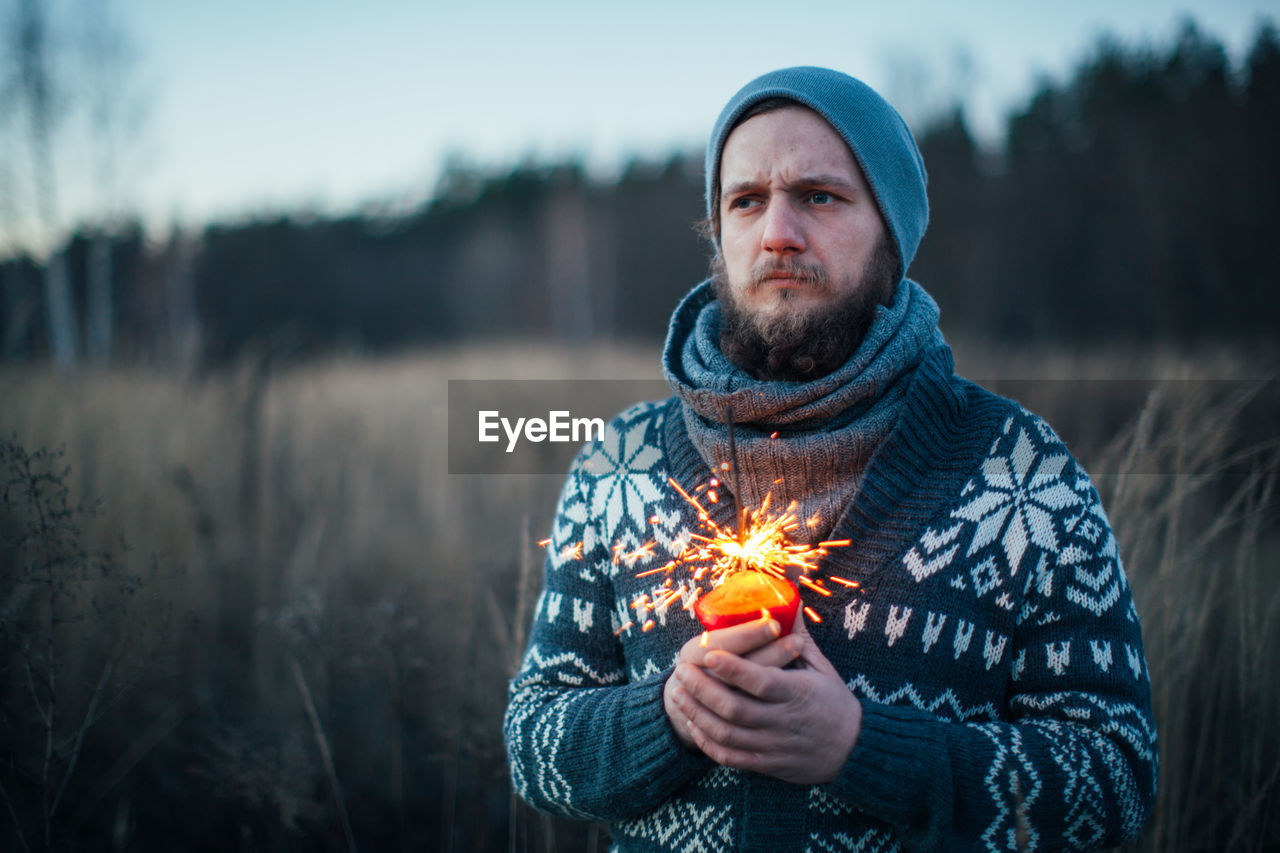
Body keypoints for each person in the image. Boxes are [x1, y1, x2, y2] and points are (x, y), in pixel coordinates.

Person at [503, 66, 1157, 852]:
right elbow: (533, 744)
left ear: (891, 230)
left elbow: (1117, 776)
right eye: (746, 201)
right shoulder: (618, 465)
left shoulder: (1022, 473)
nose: (778, 231)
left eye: (820, 195)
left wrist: (860, 746)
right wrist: (669, 715)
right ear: (718, 232)